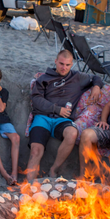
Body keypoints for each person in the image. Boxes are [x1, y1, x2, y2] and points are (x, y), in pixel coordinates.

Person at [26, 50, 103, 182]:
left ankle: (54, 169)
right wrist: (56, 109)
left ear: (72, 64)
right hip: (43, 118)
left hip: (62, 120)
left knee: (72, 133)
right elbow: (36, 99)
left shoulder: (77, 77)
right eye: (61, 64)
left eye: (67, 65)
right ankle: (28, 188)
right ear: (55, 61)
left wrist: (96, 87)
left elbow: (97, 78)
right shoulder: (44, 78)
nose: (64, 68)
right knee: (35, 151)